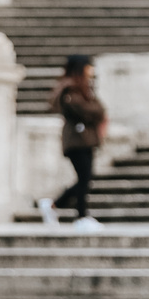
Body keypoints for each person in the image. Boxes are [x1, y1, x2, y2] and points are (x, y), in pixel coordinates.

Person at [38, 55, 106, 227]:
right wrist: (95, 110)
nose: (91, 70)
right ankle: (81, 216)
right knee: (84, 178)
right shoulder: (70, 89)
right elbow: (88, 110)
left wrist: (96, 110)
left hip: (86, 139)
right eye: (88, 66)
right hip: (76, 140)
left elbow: (98, 109)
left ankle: (54, 205)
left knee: (85, 178)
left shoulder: (83, 88)